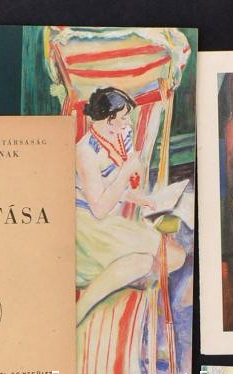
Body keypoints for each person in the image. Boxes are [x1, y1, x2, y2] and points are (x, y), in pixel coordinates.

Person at [74, 86, 185, 325]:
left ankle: (127, 271)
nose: (128, 122)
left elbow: (121, 187)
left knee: (176, 256)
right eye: (124, 117)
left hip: (111, 222)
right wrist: (125, 172)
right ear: (109, 118)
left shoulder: (121, 134)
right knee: (148, 260)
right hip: (88, 227)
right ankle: (80, 310)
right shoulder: (85, 151)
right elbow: (99, 209)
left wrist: (143, 199)